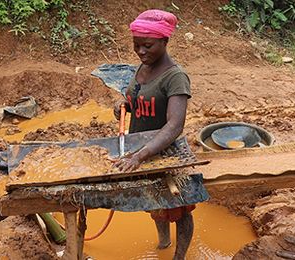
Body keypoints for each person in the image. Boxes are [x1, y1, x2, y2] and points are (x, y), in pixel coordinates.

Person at [113, 9, 194, 260]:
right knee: (155, 202)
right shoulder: (142, 68)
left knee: (180, 209)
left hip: (167, 153)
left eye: (147, 46)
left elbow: (174, 125)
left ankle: (179, 257)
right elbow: (138, 102)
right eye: (136, 45)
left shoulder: (175, 77)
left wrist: (141, 156)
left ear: (165, 41)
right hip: (142, 150)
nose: (140, 51)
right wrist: (122, 107)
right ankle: (163, 243)